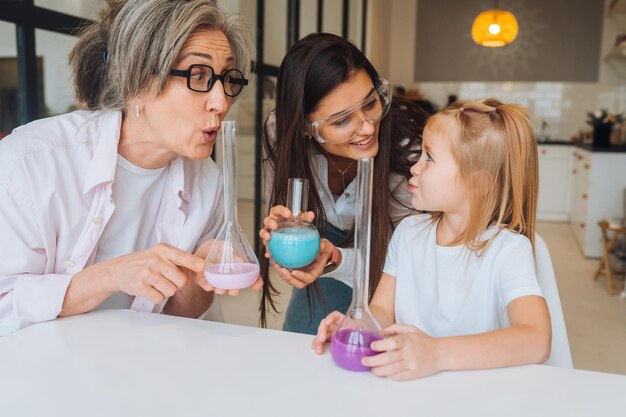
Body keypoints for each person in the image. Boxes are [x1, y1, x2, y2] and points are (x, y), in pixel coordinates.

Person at [0, 0, 259, 336]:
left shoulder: (208, 182)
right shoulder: (30, 164)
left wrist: (197, 281)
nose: (221, 102)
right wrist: (111, 276)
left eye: (228, 79)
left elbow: (180, 317)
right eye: (199, 75)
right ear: (138, 82)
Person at [313, 99, 552, 380]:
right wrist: (357, 326)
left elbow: (536, 340)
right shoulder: (409, 233)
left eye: (429, 158)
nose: (415, 167)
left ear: (479, 183)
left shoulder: (508, 250)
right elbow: (381, 310)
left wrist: (436, 353)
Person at [258, 33, 426, 333]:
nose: (366, 127)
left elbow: (406, 267)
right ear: (305, 128)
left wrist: (333, 258)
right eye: (341, 121)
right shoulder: (280, 133)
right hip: (322, 286)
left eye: (370, 103)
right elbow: (287, 248)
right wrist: (283, 236)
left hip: (393, 289)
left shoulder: (410, 153)